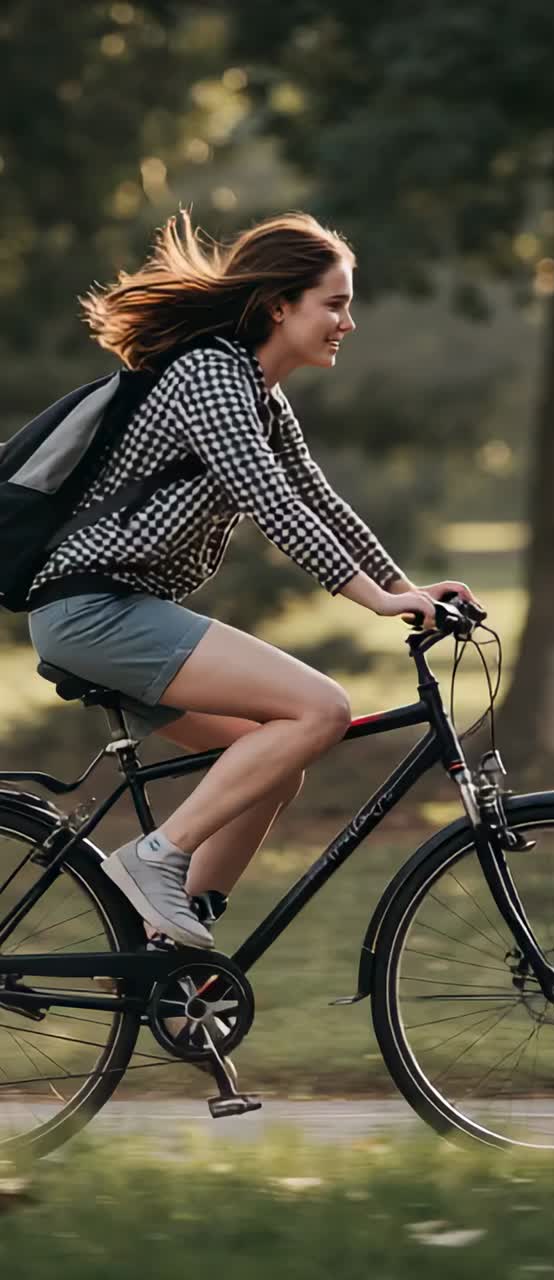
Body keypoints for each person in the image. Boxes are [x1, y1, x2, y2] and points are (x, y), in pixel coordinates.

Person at [27, 208, 480, 950]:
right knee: (321, 711)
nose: (348, 323)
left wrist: (410, 590)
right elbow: (269, 500)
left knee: (275, 763)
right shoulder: (208, 374)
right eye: (334, 304)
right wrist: (375, 601)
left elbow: (318, 501)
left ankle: (168, 948)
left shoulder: (260, 393)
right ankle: (153, 860)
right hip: (92, 611)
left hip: (120, 609)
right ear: (280, 306)